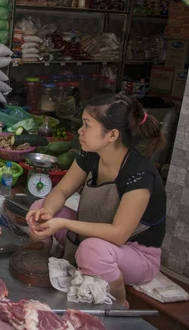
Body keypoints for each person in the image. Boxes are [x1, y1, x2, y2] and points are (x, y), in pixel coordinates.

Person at [26, 94, 166, 308]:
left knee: (92, 250)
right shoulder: (90, 155)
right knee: (40, 208)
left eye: (87, 125)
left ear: (112, 135)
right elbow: (62, 191)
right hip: (93, 238)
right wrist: (47, 213)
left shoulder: (139, 175)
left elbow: (118, 235)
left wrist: (64, 223)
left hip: (133, 253)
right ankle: (42, 267)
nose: (80, 131)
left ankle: (119, 304)